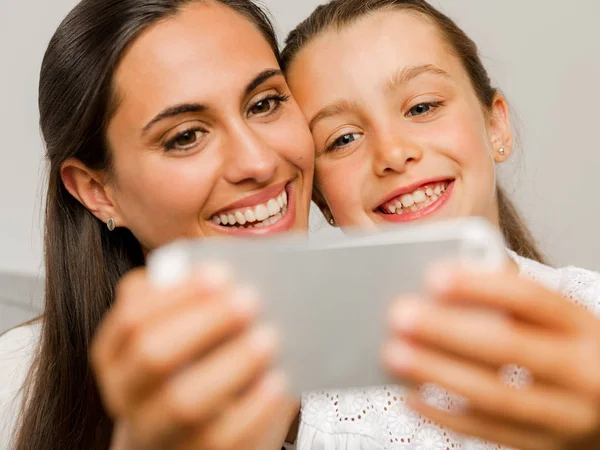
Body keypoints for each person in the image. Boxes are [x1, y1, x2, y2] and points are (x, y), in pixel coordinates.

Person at [282, 0, 600, 449]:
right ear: (323, 200)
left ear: (496, 126)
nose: (393, 153)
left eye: (422, 107)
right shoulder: (293, 395)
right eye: (344, 138)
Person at [0, 0, 314, 449]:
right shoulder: (12, 385)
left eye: (264, 103)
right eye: (186, 136)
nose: (259, 161)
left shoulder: (412, 353)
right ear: (97, 191)